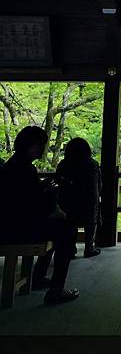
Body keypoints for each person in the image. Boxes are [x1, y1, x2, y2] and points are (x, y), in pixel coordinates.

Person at [0, 126, 79, 304]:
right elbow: (31, 207)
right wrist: (49, 195)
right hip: (18, 230)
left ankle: (38, 277)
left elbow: (24, 198)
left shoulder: (12, 166)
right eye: (43, 144)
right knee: (67, 231)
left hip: (10, 225)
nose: (44, 148)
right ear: (33, 146)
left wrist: (42, 187)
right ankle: (55, 289)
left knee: (61, 229)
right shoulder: (25, 169)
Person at [56, 137, 102, 258]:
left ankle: (70, 249)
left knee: (69, 224)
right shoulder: (92, 165)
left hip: (68, 200)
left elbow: (58, 182)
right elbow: (98, 185)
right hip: (89, 200)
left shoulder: (63, 165)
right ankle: (89, 247)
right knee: (91, 223)